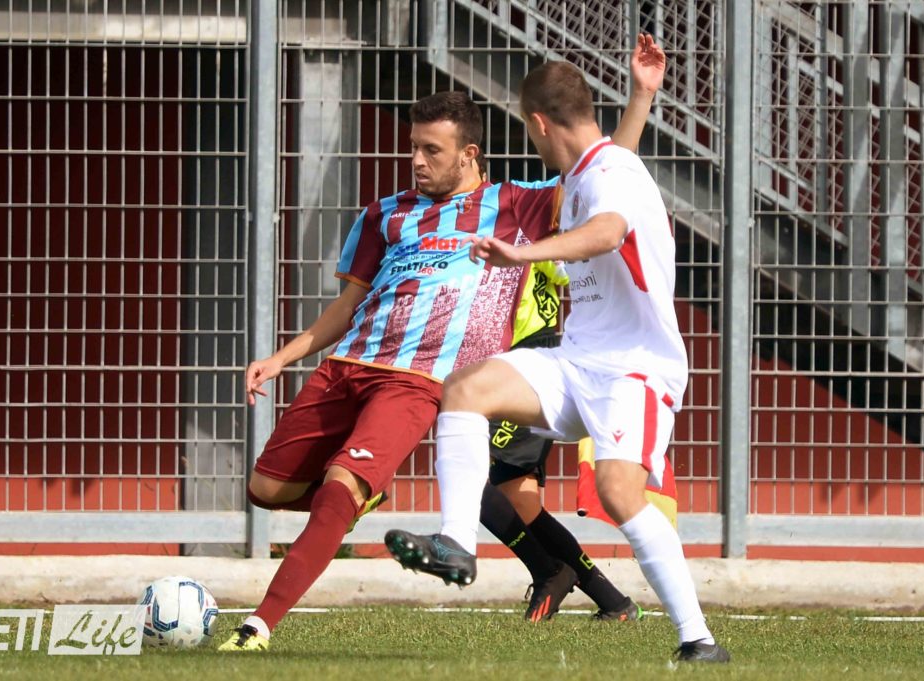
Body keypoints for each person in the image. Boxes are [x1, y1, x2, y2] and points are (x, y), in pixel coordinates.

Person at [218, 39, 665, 653]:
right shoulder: (384, 214)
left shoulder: (516, 205)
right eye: (413, 148)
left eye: (432, 150)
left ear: (469, 154)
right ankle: (353, 494)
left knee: (341, 491)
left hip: (419, 381)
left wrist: (640, 97)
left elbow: (608, 174)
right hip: (346, 366)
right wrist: (281, 358)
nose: (417, 161)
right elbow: (347, 308)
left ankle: (257, 626)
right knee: (265, 490)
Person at [384, 57, 731, 663]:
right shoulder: (595, 169)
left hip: (634, 370)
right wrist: (642, 97)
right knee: (465, 389)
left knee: (619, 492)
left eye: (527, 128)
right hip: (576, 361)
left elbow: (609, 230)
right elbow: (610, 166)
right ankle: (456, 543)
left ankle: (698, 638)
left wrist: (522, 253)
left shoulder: (611, 174)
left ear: (539, 123)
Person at [471, 153, 647, 624]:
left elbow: (568, 259)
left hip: (531, 366)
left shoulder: (527, 225)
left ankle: (550, 572)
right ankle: (611, 600)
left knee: (475, 483)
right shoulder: (461, 233)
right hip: (495, 373)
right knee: (518, 500)